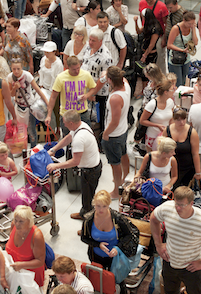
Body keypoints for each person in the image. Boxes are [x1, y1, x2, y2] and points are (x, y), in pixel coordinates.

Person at [150, 186, 201, 294]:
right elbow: (153, 219)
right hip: (169, 262)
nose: (178, 208)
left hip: (191, 268)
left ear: (191, 203)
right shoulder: (167, 208)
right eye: (176, 203)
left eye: (182, 205)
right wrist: (158, 245)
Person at [47, 111, 101, 220]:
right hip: (93, 166)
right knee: (86, 196)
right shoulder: (81, 125)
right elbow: (68, 138)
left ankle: (87, 225)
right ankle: (84, 212)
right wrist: (54, 149)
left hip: (90, 171)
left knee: (88, 197)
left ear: (71, 123)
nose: (64, 125)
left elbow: (75, 162)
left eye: (65, 123)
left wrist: (56, 166)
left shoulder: (79, 139)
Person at [81, 190, 140, 271]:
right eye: (98, 206)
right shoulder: (88, 219)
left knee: (115, 279)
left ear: (109, 204)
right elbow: (83, 238)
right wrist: (98, 244)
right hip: (95, 256)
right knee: (98, 278)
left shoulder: (117, 218)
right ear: (94, 204)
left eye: (104, 206)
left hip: (115, 258)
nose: (101, 209)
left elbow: (129, 234)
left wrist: (117, 248)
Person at [101, 67, 131, 198]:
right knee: (123, 154)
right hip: (123, 130)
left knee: (115, 163)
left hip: (114, 134)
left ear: (110, 80)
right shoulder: (126, 84)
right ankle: (125, 177)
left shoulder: (115, 98)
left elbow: (114, 121)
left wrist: (106, 133)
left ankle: (117, 190)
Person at [4, 205, 46, 286]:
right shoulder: (13, 225)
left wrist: (22, 265)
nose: (17, 224)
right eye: (15, 220)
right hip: (14, 272)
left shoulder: (36, 236)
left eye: (21, 221)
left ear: (29, 221)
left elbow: (40, 261)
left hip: (31, 277)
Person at [166, 108, 200, 189]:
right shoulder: (167, 130)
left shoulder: (192, 132)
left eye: (184, 119)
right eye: (178, 120)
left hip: (187, 169)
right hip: (171, 168)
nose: (182, 122)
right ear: (173, 120)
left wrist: (198, 172)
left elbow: (195, 153)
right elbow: (162, 150)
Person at [140, 79, 175, 150]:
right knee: (154, 158)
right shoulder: (152, 104)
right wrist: (157, 125)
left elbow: (171, 119)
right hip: (153, 136)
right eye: (172, 90)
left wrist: (171, 131)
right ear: (166, 92)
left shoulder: (170, 102)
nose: (173, 91)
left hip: (166, 136)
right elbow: (142, 121)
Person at [167, 12, 198, 86]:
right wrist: (182, 50)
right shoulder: (175, 28)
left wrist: (193, 29)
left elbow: (195, 42)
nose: (190, 25)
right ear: (184, 20)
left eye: (192, 23)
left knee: (184, 80)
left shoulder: (191, 28)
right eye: (189, 23)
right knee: (177, 82)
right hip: (175, 58)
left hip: (186, 58)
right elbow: (169, 45)